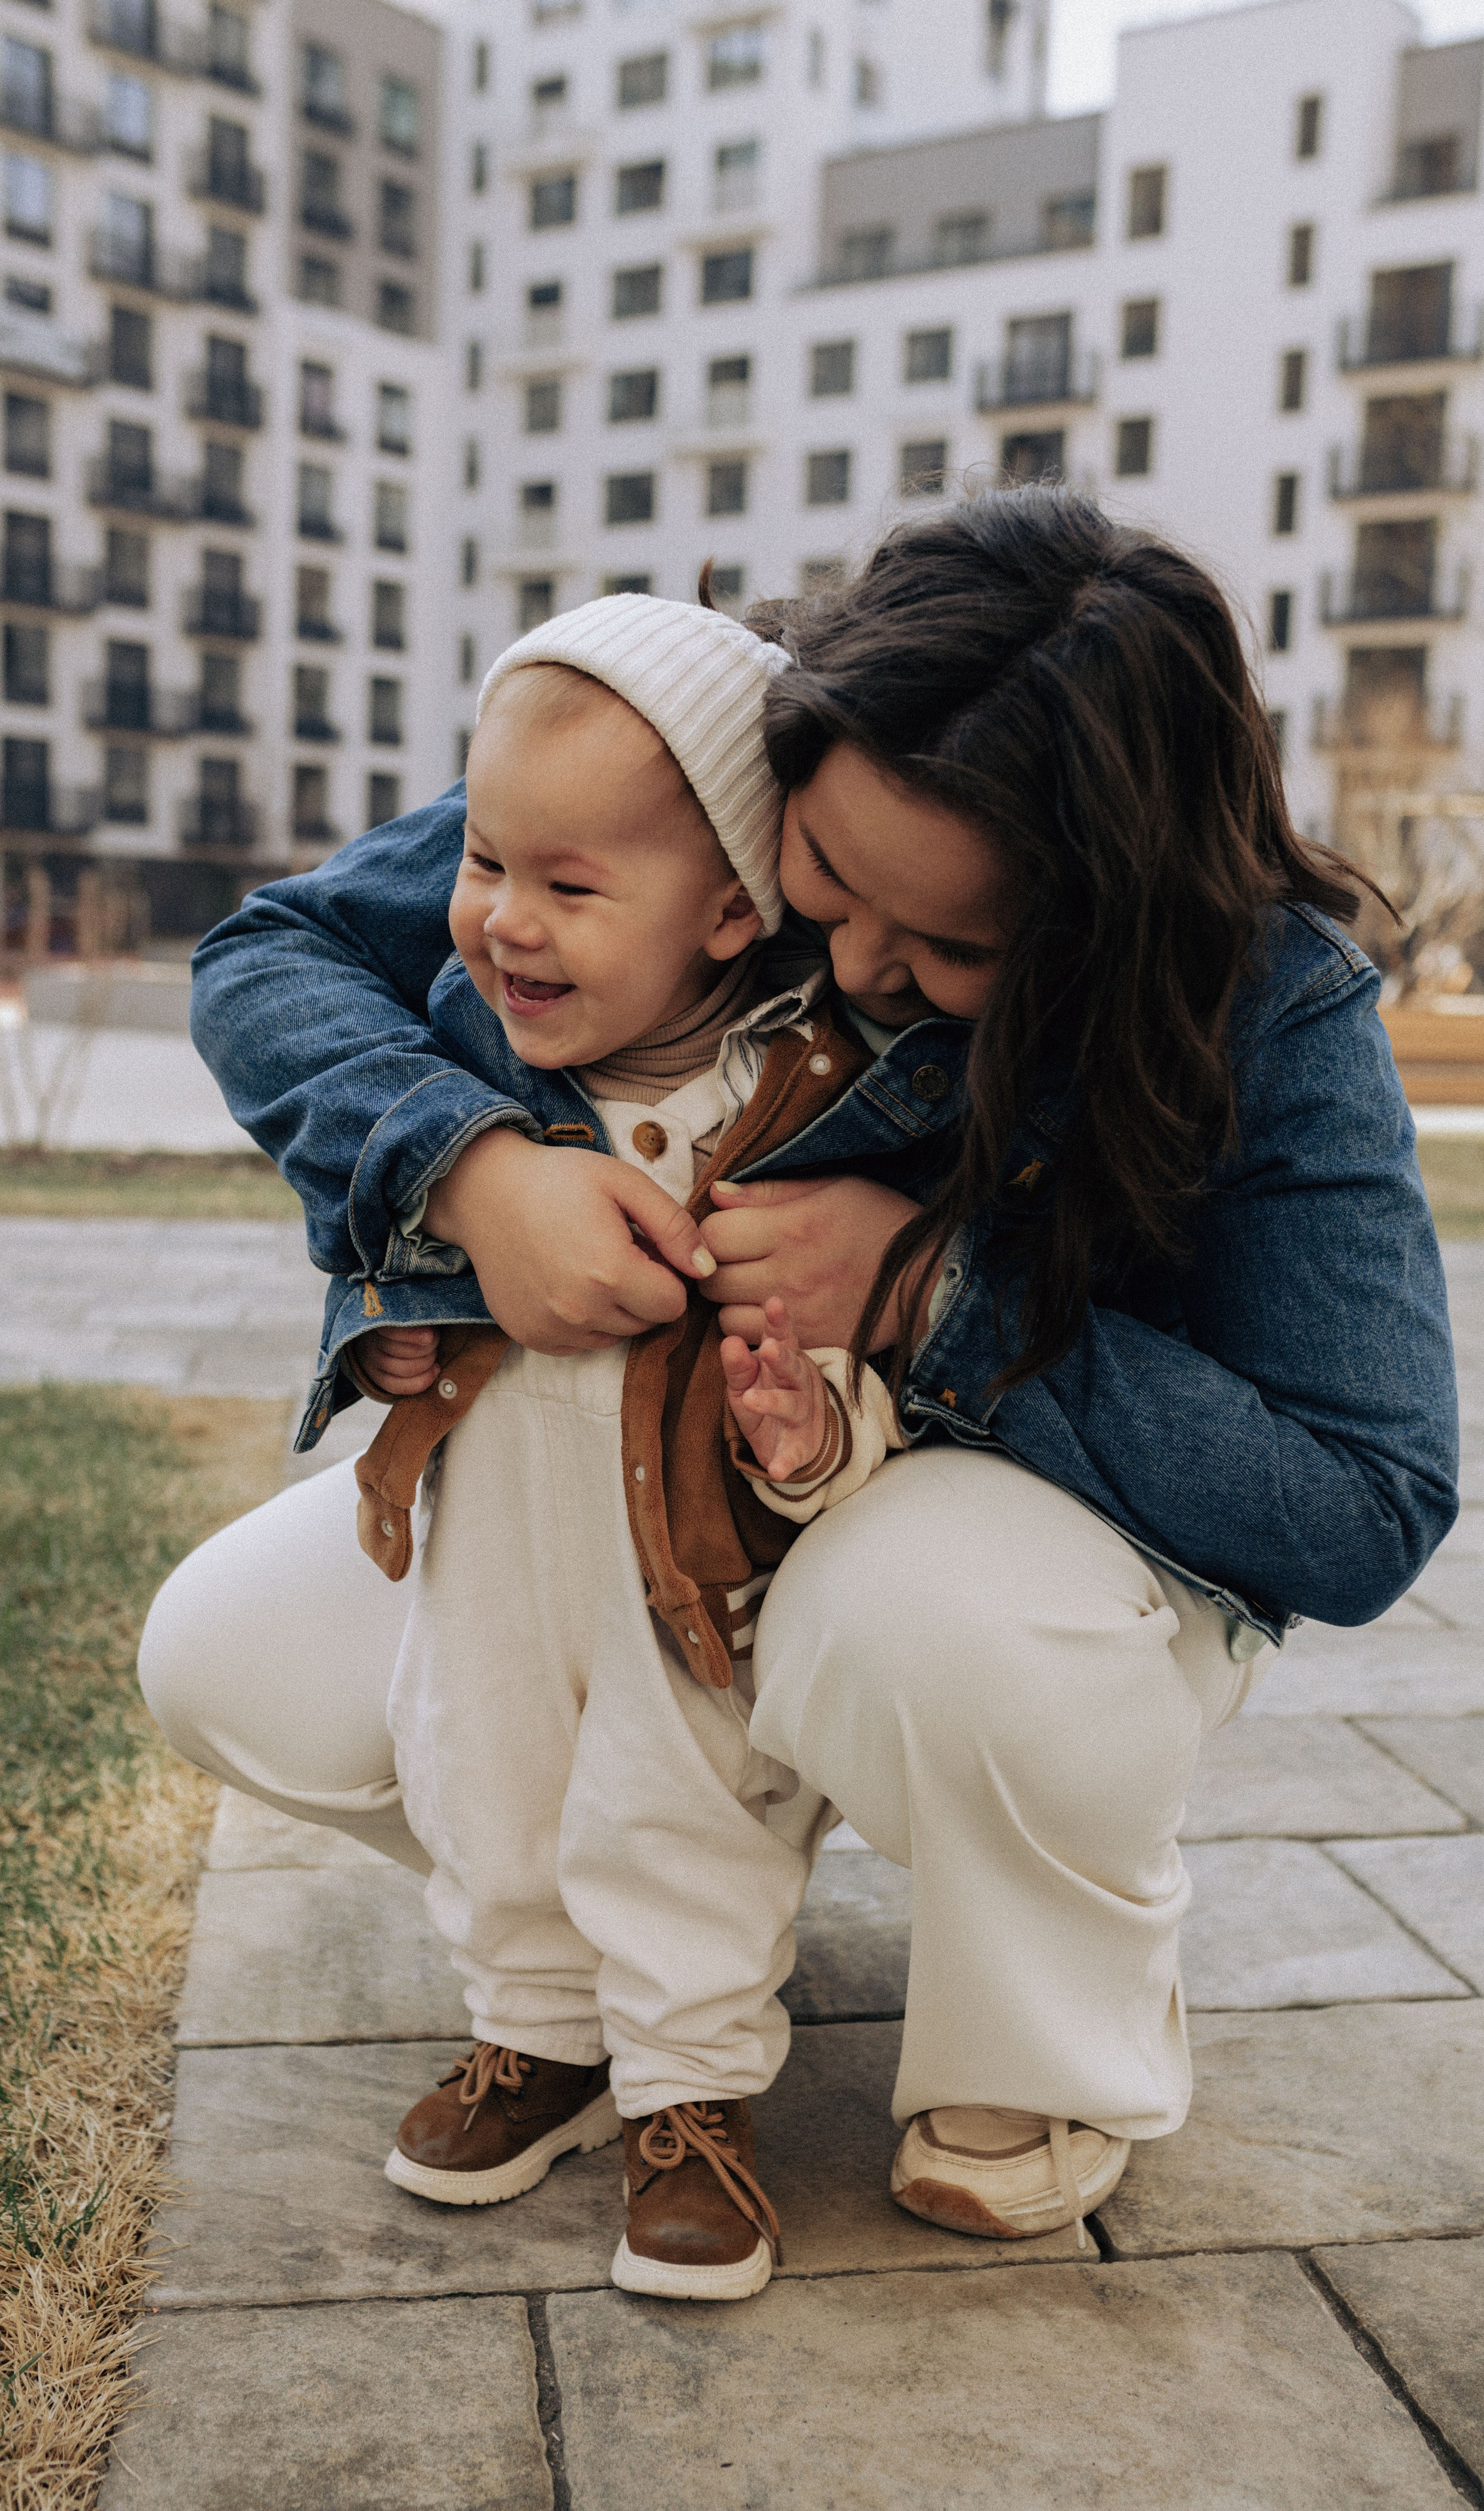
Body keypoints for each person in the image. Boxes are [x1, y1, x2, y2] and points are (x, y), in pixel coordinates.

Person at [142, 487, 1459, 2276]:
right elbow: (272, 955)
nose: (851, 964)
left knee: (910, 1622)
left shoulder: (1272, 1002)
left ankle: (1050, 2036)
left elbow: (1368, 1503)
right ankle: (601, 1961)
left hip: (1003, 1544)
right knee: (232, 1659)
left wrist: (930, 1293)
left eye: (953, 950)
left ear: (1109, 916)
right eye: (822, 884)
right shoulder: (704, 741)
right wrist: (475, 1171)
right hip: (626, 1483)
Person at [338, 592, 903, 2306]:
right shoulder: (469, 1070)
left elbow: (875, 1365)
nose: (503, 920)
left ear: (731, 909)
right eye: (484, 860)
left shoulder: (810, 1098)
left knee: (685, 1807)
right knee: (482, 1766)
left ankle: (688, 2094)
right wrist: (393, 1330)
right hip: (497, 1545)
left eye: (571, 888)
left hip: (690, 1566)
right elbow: (375, 1242)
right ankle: (537, 2037)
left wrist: (811, 1434)